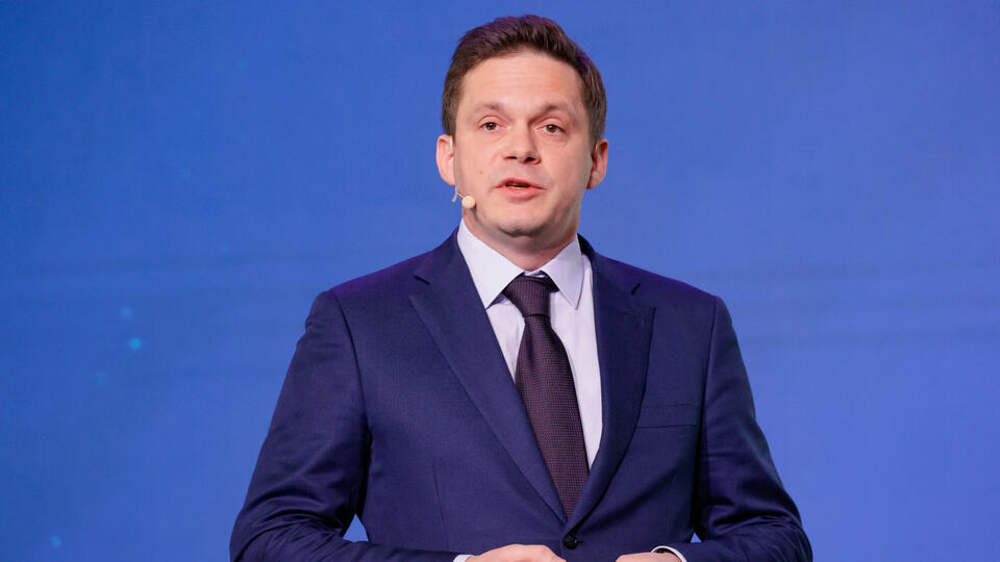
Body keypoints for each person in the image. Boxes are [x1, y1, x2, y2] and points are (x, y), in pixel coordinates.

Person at [231, 15, 810, 562]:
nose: (521, 148)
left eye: (551, 127)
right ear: (449, 158)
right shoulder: (359, 324)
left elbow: (774, 536)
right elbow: (270, 539)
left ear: (596, 161)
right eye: (491, 124)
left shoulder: (690, 324)